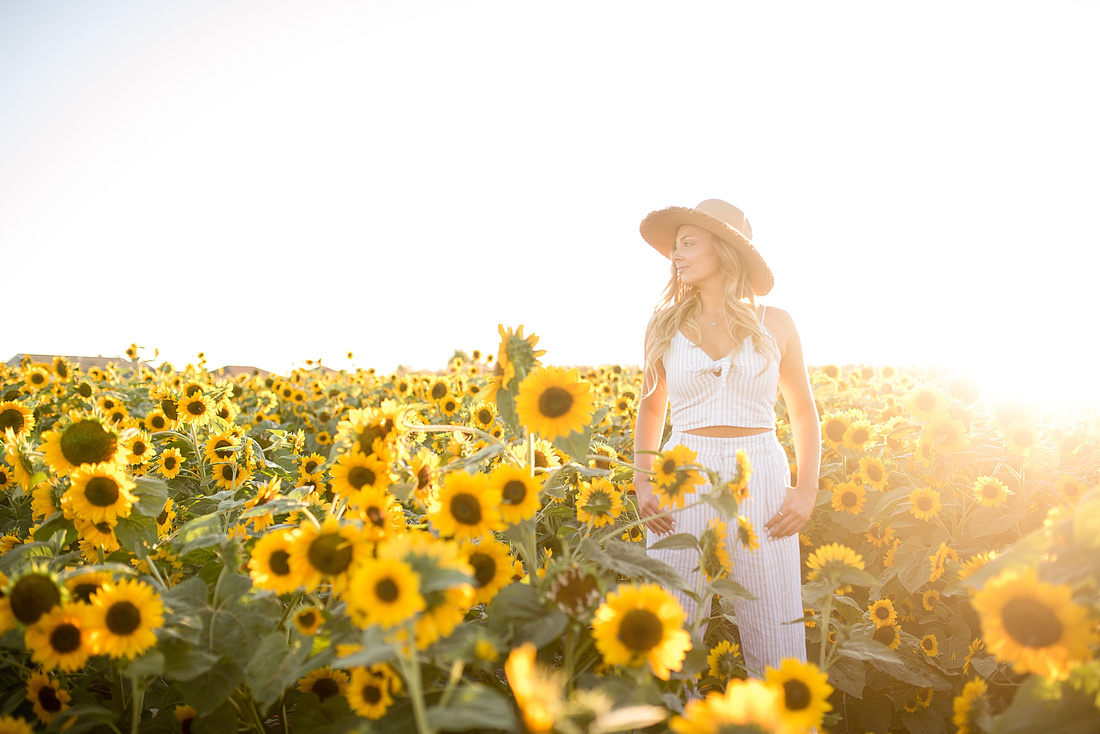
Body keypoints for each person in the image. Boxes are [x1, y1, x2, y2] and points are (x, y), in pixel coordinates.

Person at [632, 199, 821, 677]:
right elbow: (652, 406)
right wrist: (643, 485)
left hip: (762, 476)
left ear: (724, 249)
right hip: (683, 471)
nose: (676, 255)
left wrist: (807, 488)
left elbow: (801, 409)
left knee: (776, 634)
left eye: (688, 243)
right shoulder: (665, 324)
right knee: (670, 635)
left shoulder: (776, 322)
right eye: (674, 246)